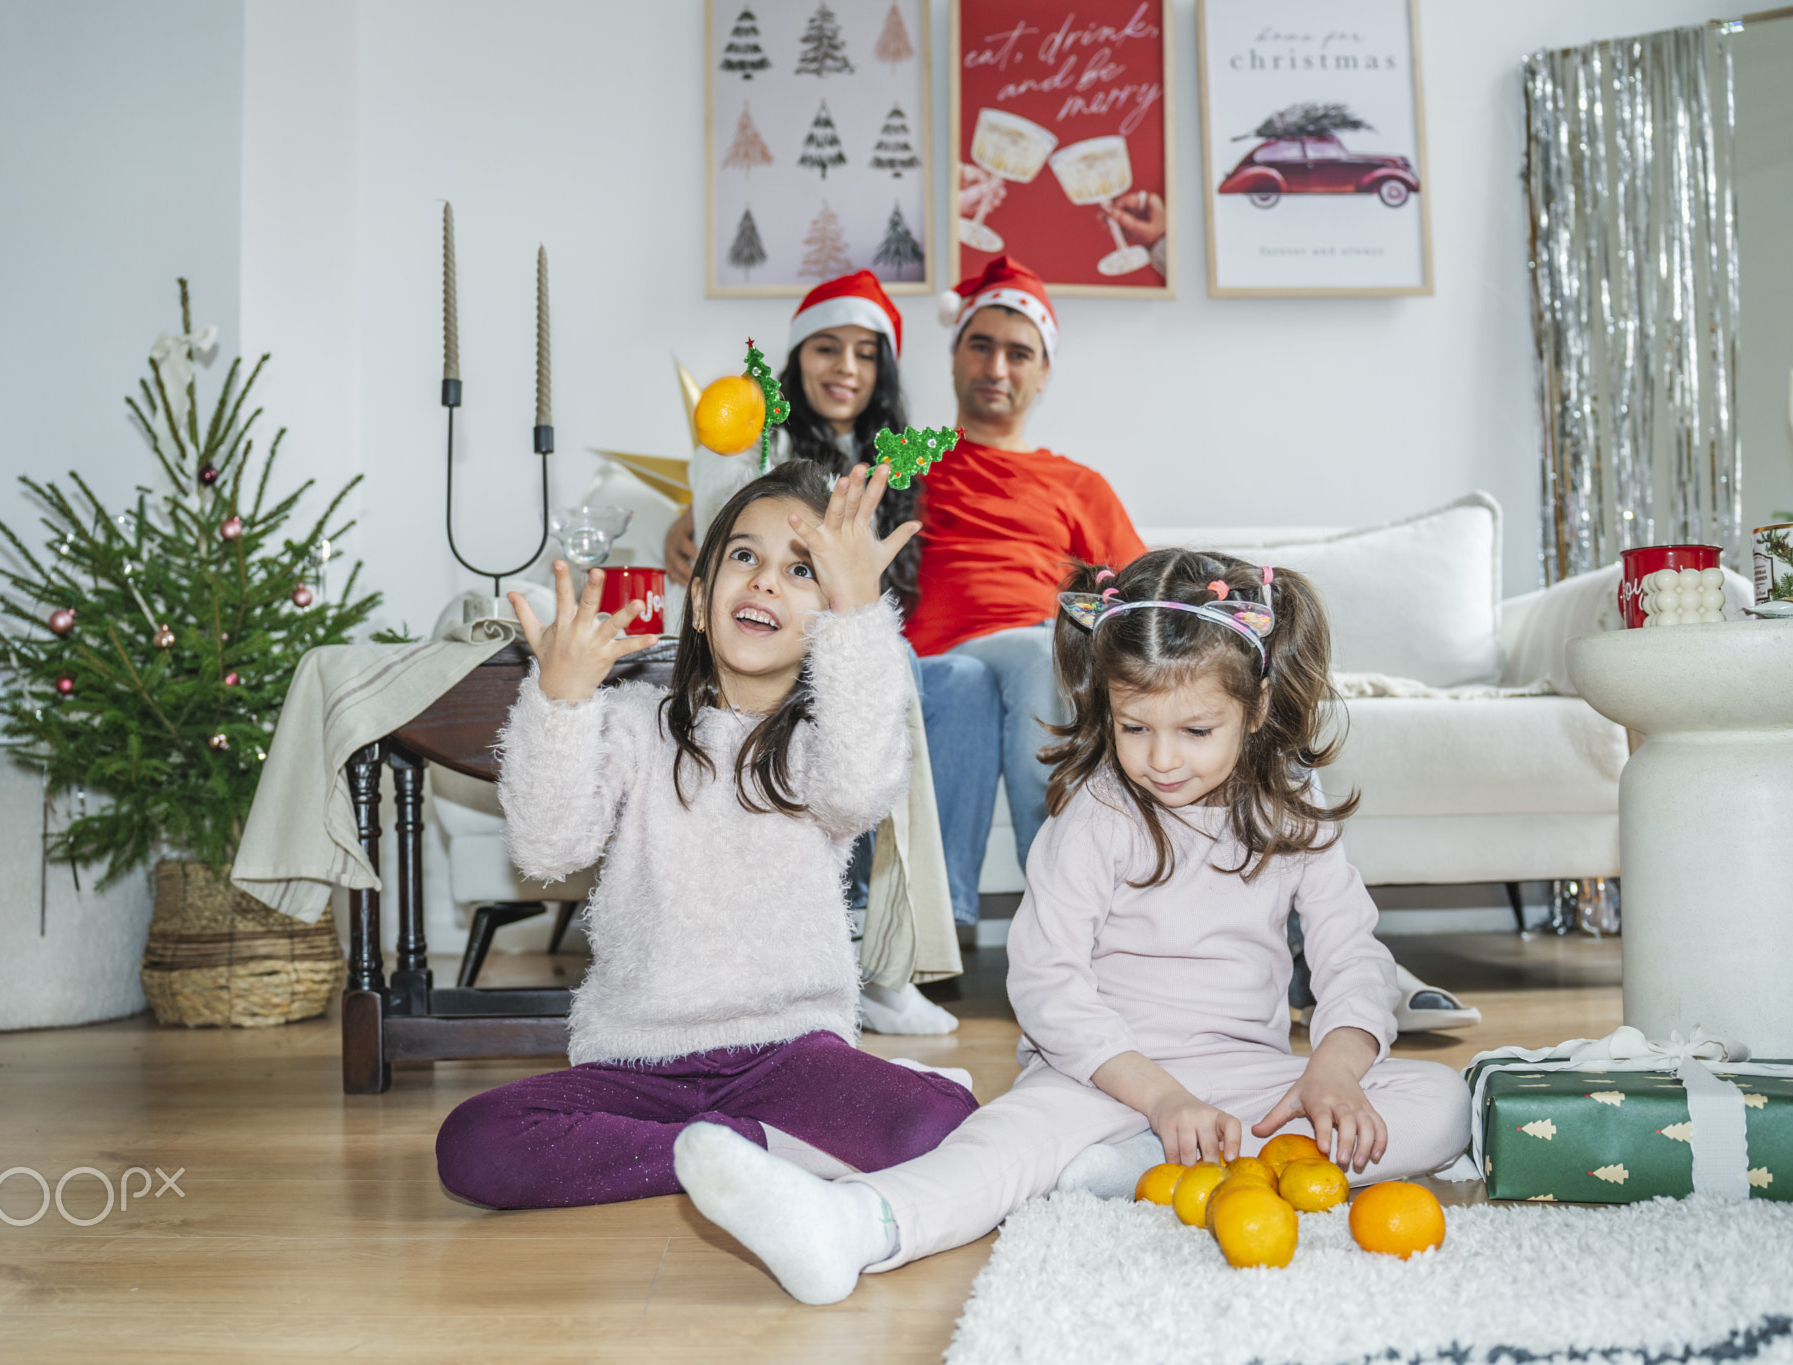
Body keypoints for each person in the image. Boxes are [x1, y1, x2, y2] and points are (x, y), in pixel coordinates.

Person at [667, 549, 1472, 1302]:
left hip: (1244, 1083)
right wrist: (1157, 1097)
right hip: (1095, 1075)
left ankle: (1137, 1168)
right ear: (1106, 705)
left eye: (1195, 731)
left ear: (1256, 707)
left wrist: (1332, 1070)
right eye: (1134, 726)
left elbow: (1351, 958)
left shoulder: (1293, 808)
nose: (1161, 758)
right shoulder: (1095, 814)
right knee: (998, 1148)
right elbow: (1049, 985)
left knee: (1442, 1104)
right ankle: (856, 1225)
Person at [433, 462, 978, 1209]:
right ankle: (744, 1152)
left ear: (826, 617)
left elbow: (861, 787)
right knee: (475, 1141)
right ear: (697, 603)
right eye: (744, 557)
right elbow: (548, 848)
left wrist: (857, 617)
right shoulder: (630, 722)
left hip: (789, 1056)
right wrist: (560, 701)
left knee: (944, 1125)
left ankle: (733, 1146)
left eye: (801, 570)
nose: (763, 583)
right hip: (636, 1062)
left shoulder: (821, 745)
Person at [670, 272, 1002, 969]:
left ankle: (918, 938)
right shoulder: (760, 439)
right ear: (796, 360)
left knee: (966, 680)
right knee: (895, 670)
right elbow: (721, 531)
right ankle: (855, 930)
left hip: (875, 647)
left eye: (864, 352)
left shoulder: (895, 459)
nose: (846, 368)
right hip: (796, 653)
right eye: (826, 348)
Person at [909, 255, 1147, 870]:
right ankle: (1055, 895)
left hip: (1047, 650)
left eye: (1018, 353)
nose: (995, 368)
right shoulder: (907, 464)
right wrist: (699, 518)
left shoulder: (1077, 484)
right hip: (939, 658)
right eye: (980, 347)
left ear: (1042, 374)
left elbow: (1142, 594)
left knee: (1051, 654)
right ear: (954, 356)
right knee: (1044, 655)